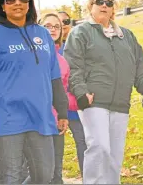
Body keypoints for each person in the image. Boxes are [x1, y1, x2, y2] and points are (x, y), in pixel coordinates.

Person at [0, 0, 69, 184]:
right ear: (2, 5)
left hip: (41, 117)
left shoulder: (42, 34)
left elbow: (54, 76)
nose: (18, 2)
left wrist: (61, 111)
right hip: (7, 118)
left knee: (45, 175)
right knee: (11, 176)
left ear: (30, 3)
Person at [64, 0, 143, 184]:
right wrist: (81, 92)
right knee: (99, 147)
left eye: (108, 3)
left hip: (120, 103)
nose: (104, 6)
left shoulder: (127, 36)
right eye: (99, 2)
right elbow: (73, 65)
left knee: (115, 156)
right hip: (93, 101)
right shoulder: (81, 32)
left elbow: (140, 66)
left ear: (113, 8)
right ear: (91, 6)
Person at [40, 13, 80, 184]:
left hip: (57, 122)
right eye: (47, 26)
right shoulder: (31, 55)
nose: (53, 29)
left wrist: (81, 101)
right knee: (40, 174)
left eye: (56, 26)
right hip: (36, 123)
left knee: (56, 174)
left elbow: (64, 93)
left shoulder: (63, 61)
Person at [56, 11, 87, 177]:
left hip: (75, 105)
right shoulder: (49, 48)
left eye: (66, 21)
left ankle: (87, 178)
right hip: (55, 107)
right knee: (55, 149)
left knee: (83, 142)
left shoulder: (77, 44)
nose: (62, 24)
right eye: (57, 22)